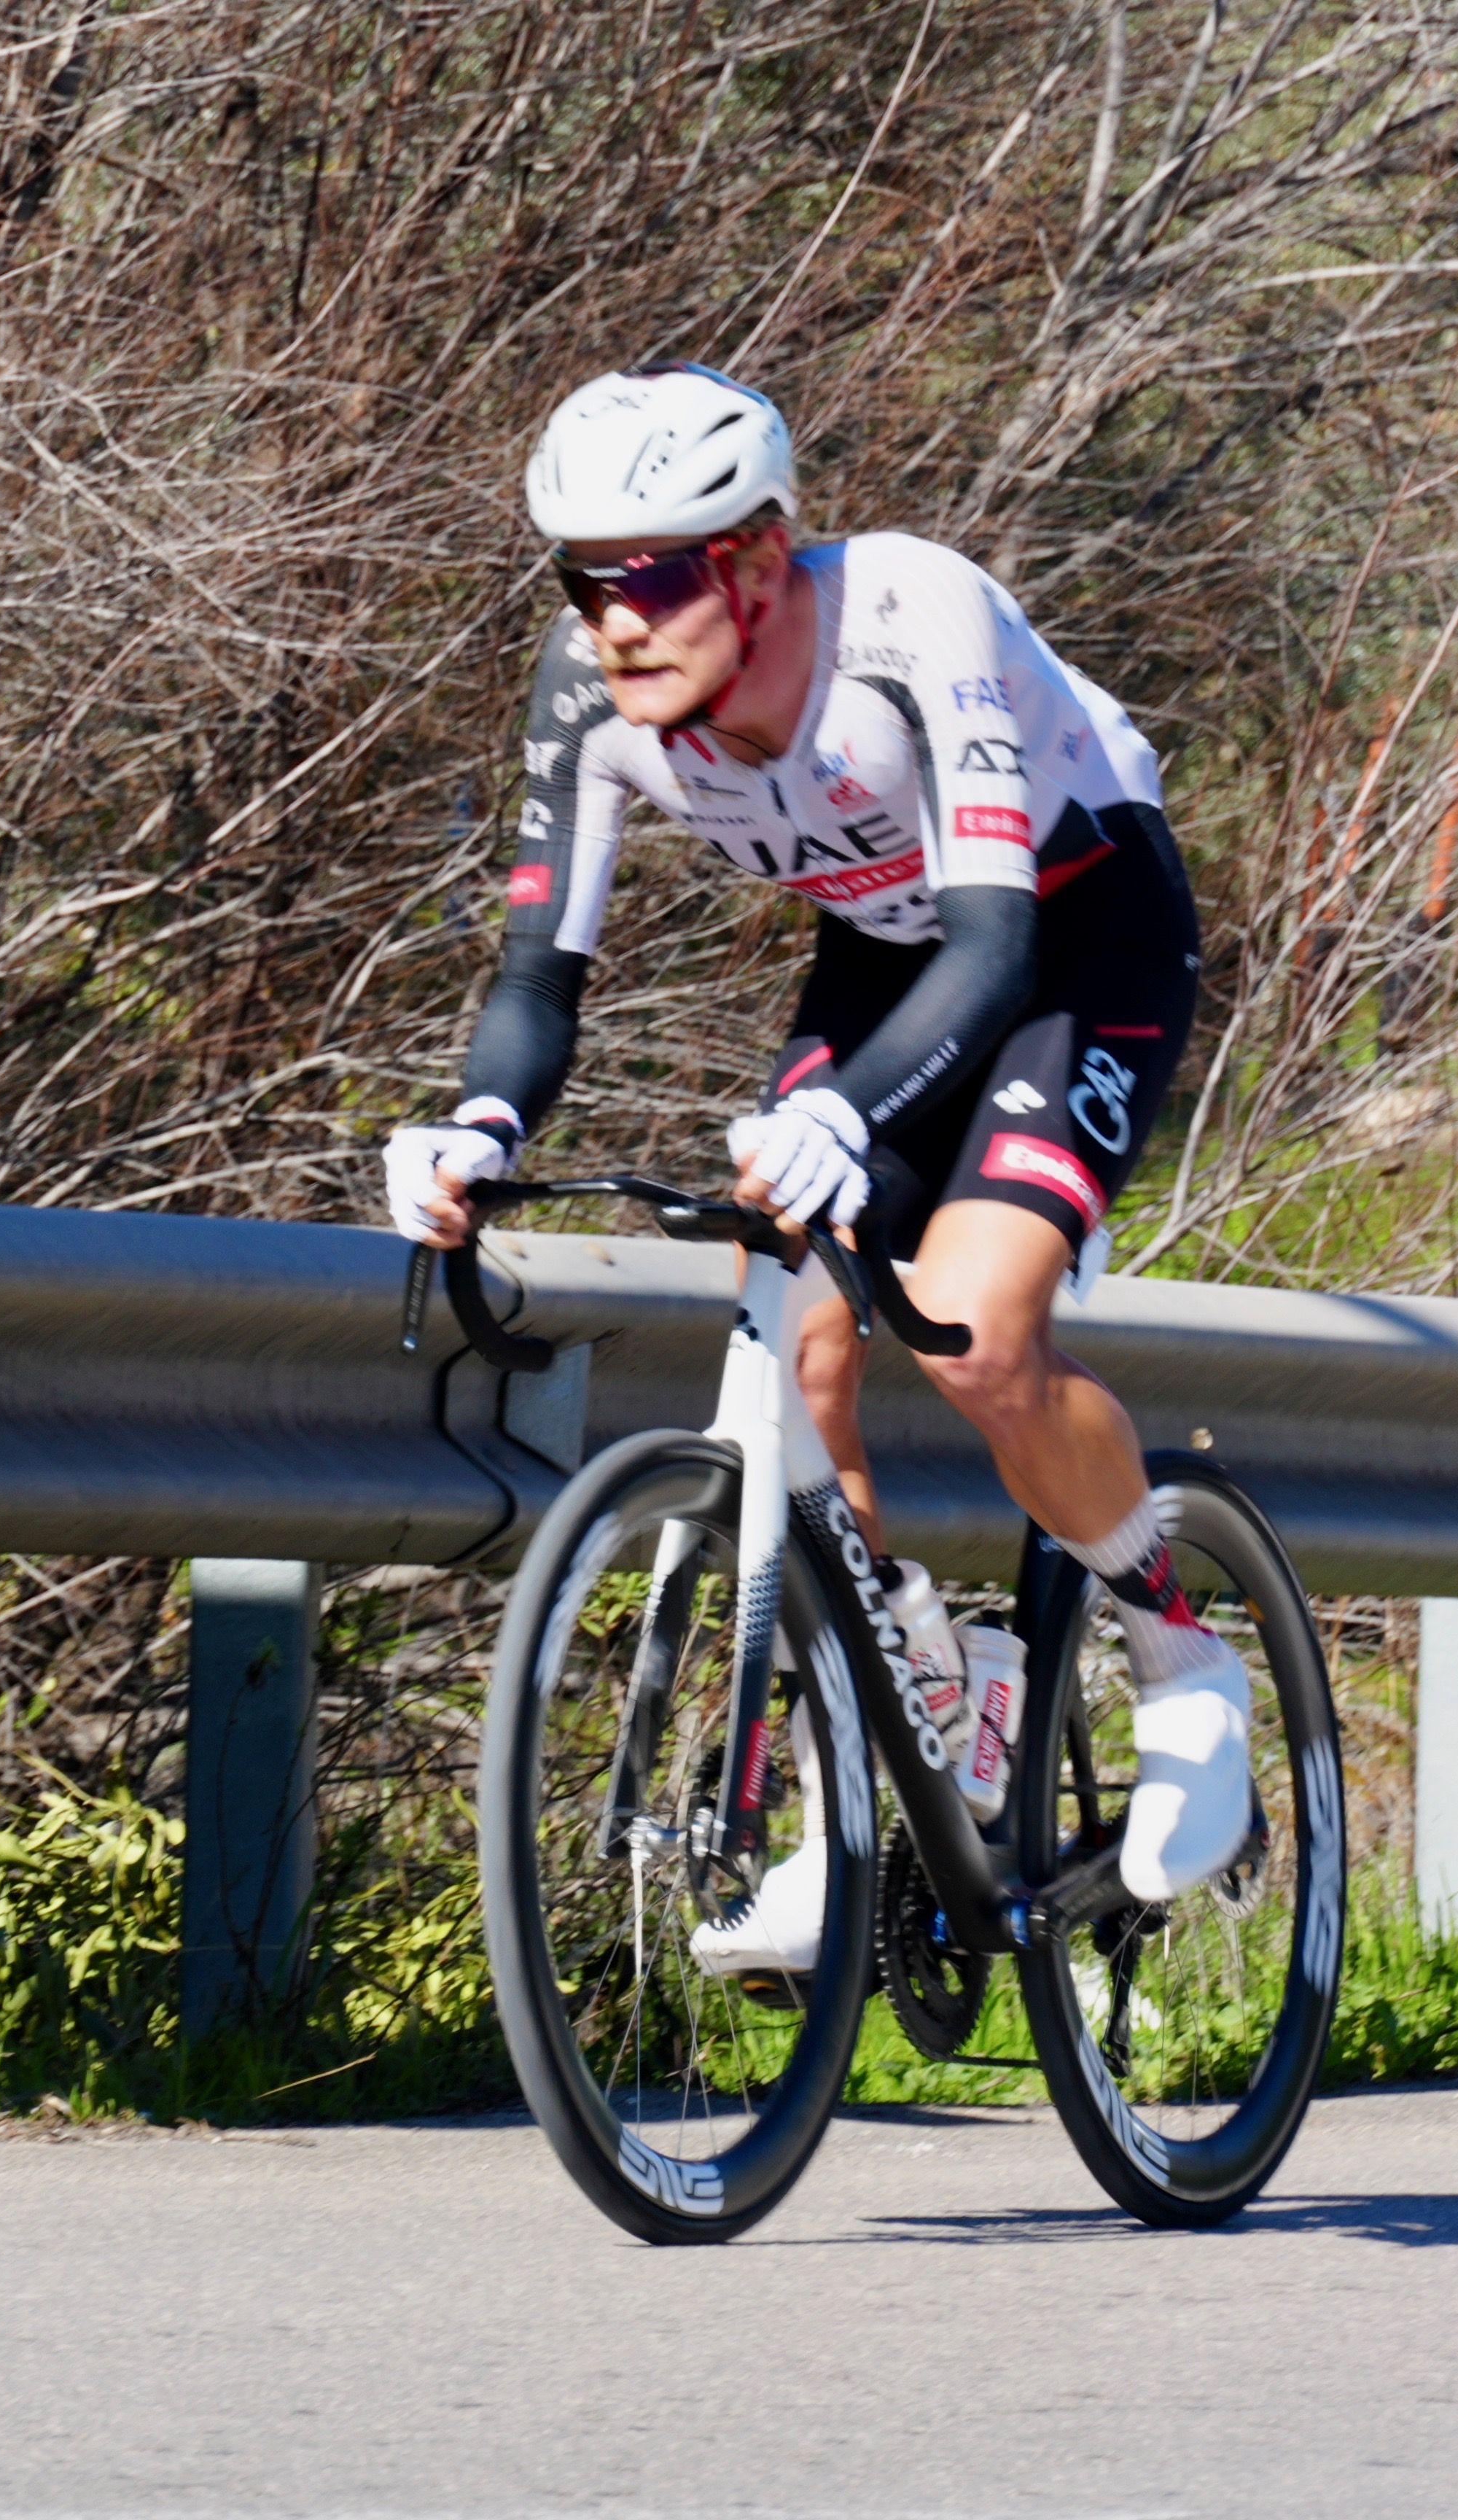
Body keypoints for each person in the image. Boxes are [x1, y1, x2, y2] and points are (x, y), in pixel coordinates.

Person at [381, 365, 1240, 1972]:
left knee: (975, 1332)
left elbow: (993, 945)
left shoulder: (908, 618)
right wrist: (476, 1132)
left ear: (761, 562)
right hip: (886, 959)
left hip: (1071, 931)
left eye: (647, 578)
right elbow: (533, 986)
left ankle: (1182, 1655)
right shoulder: (585, 689)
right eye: (580, 580)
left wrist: (847, 1116)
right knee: (793, 1336)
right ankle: (900, 1728)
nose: (610, 621)